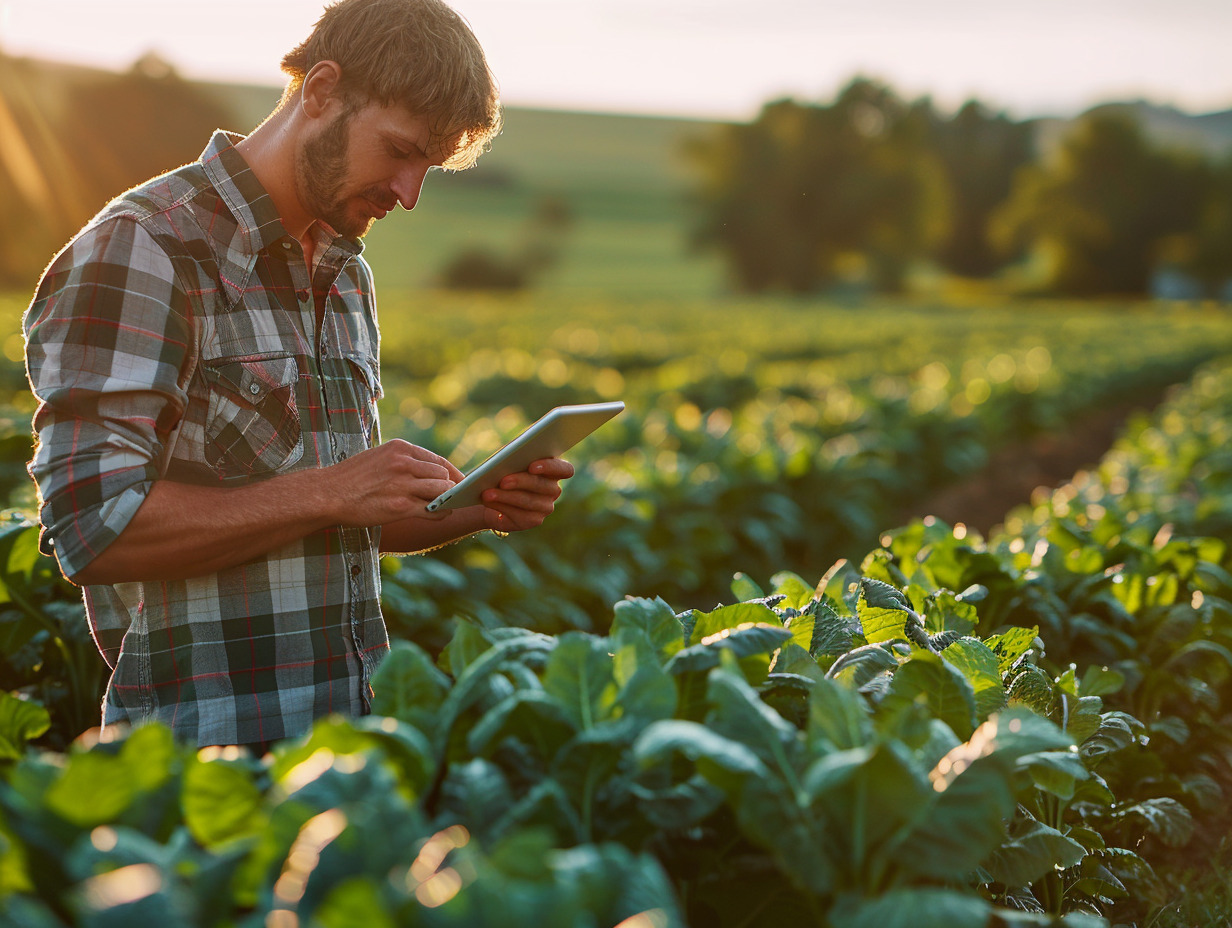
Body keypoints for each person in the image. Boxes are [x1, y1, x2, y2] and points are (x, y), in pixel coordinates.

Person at [22, 0, 573, 749]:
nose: (410, 193)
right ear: (320, 92)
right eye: (400, 151)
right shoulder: (145, 250)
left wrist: (476, 503)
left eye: (430, 169)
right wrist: (332, 489)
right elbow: (93, 529)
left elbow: (325, 524)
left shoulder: (346, 272)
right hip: (202, 768)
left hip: (348, 755)